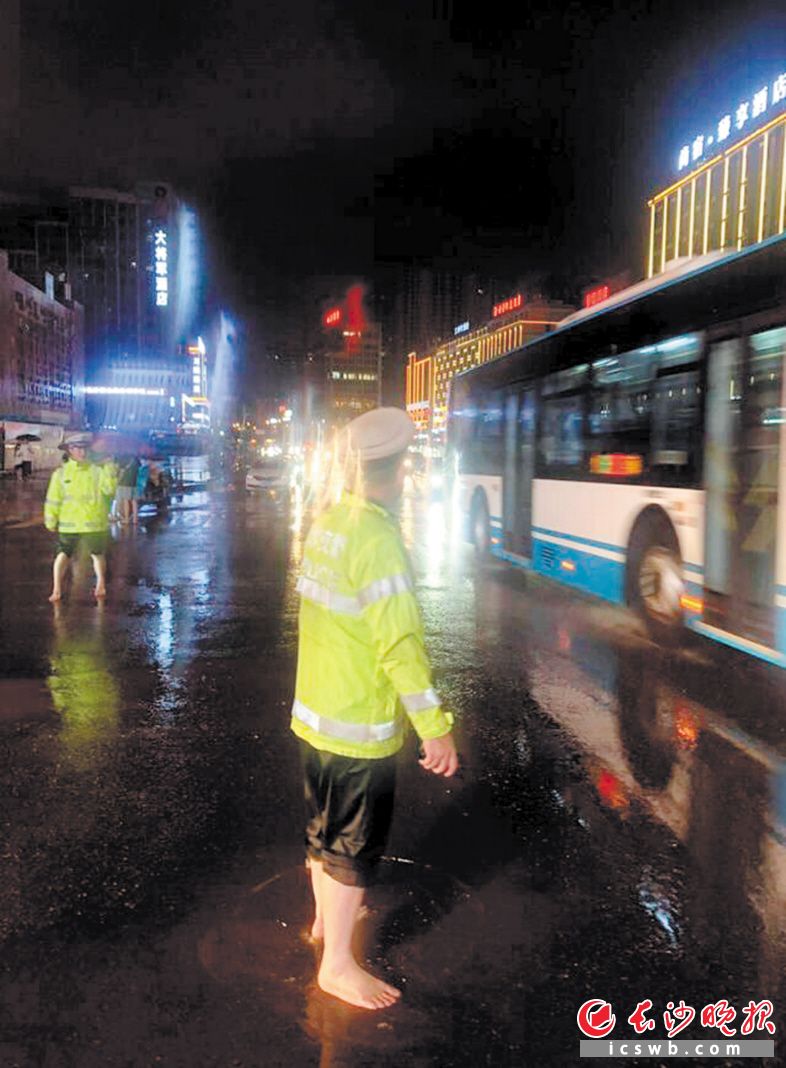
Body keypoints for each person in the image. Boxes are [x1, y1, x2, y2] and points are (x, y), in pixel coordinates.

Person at [291, 407, 458, 1012]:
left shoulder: (329, 523)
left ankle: (322, 924)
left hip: (316, 715)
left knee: (324, 831)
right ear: (399, 467)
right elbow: (400, 647)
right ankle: (336, 966)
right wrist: (435, 729)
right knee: (353, 847)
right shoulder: (379, 538)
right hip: (358, 723)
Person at [44, 433, 118, 602]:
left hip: (94, 523)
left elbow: (109, 490)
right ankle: (56, 588)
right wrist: (50, 519)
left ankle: (101, 584)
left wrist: (110, 468)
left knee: (98, 555)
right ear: (70, 450)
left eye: (85, 448)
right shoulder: (60, 474)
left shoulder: (98, 471)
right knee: (62, 555)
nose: (82, 452)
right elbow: (53, 499)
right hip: (69, 524)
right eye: (78, 448)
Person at [116, 455, 140, 524]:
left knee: (126, 500)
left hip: (125, 482)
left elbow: (120, 470)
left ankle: (126, 519)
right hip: (134, 482)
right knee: (134, 501)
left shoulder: (124, 458)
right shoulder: (136, 459)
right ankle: (135, 519)